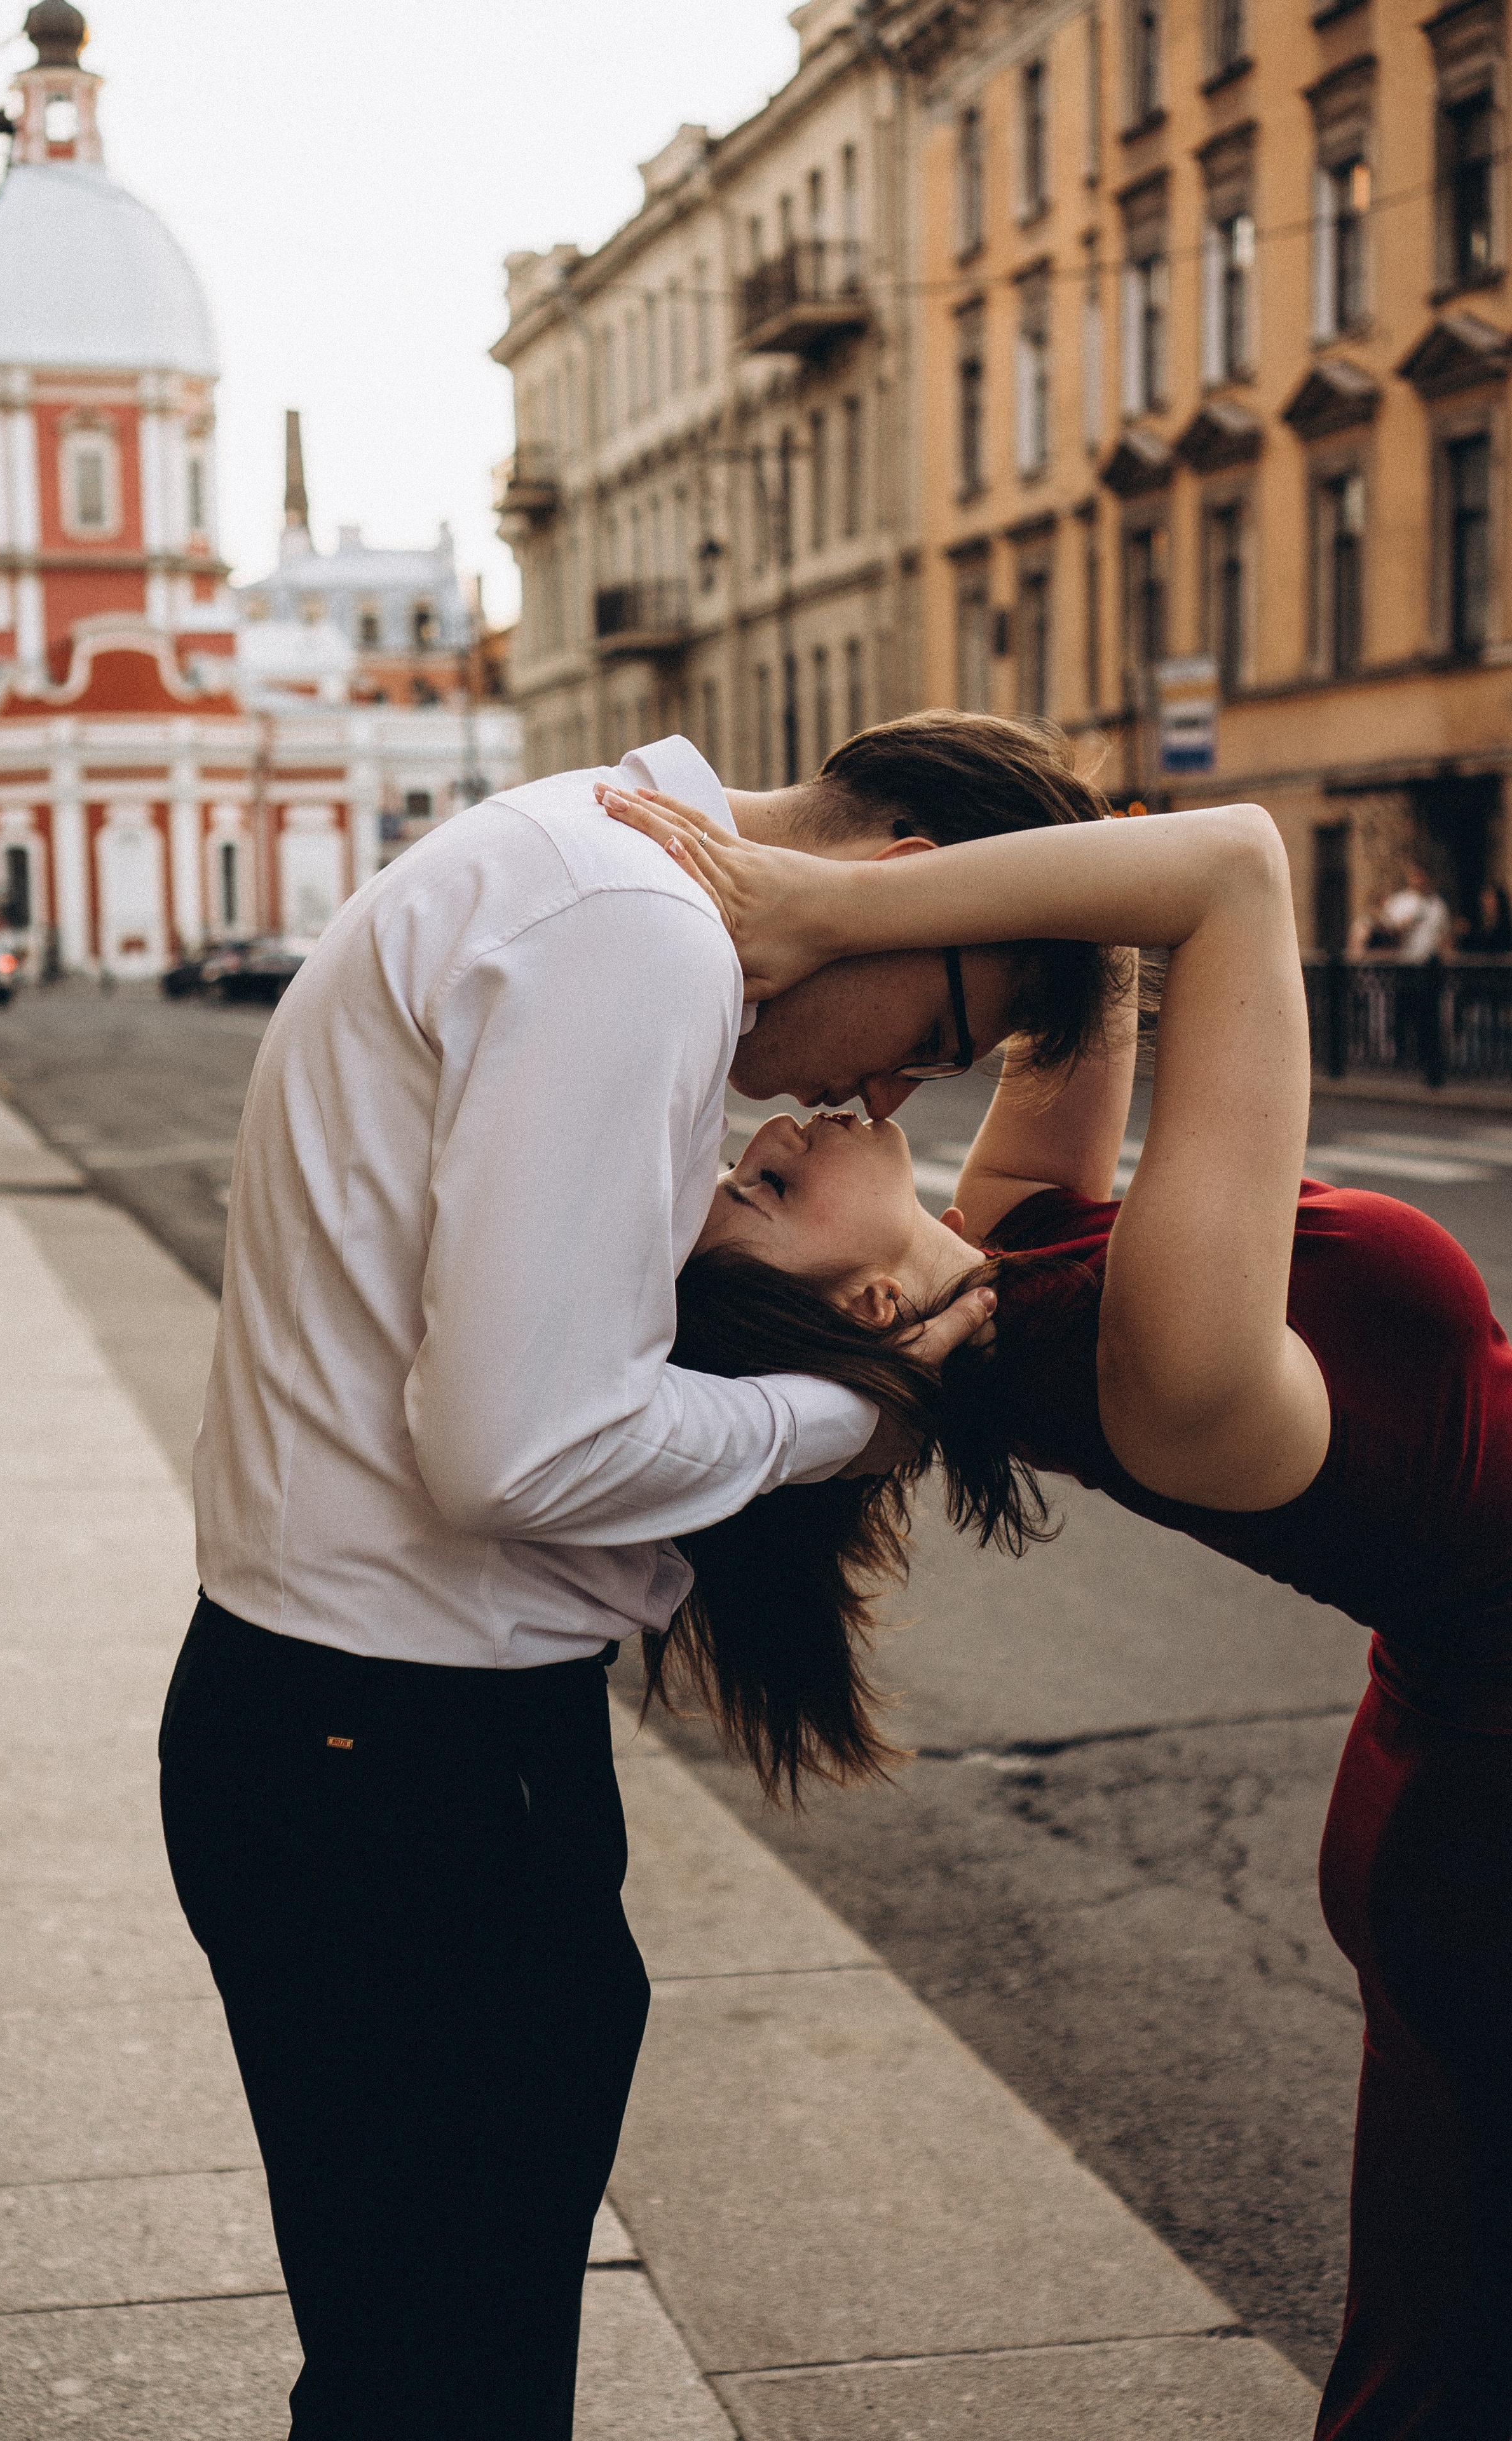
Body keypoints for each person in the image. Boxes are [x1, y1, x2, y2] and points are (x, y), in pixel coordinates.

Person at [160, 717, 1119, 2440]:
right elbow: (523, 1451)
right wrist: (846, 1420)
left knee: (413, 2362)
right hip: (404, 1767)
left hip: (355, 1740)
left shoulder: (585, 863)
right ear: (902, 887)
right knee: (446, 2384)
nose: (886, 1093)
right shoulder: (637, 926)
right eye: (942, 1036)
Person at [603, 746, 1512, 2439]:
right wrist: (819, 903)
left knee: (1447, 2343)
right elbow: (1230, 873)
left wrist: (890, 895)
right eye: (772, 1194)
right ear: (869, 1299)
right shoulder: (1162, 1367)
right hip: (1489, 1809)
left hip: (1442, 1772)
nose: (774, 1134)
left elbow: (1088, 945)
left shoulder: (1017, 1247)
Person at [1459, 879, 1512, 956]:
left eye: (1490, 897)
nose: (1486, 903)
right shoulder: (1473, 929)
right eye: (1484, 897)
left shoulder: (1506, 932)